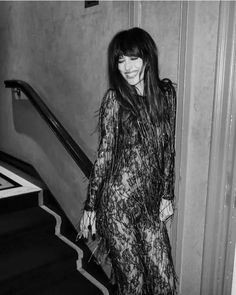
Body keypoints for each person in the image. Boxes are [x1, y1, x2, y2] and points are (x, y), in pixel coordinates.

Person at [79, 27, 177, 295]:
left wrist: (168, 194)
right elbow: (105, 154)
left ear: (147, 57)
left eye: (133, 58)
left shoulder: (166, 93)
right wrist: (90, 205)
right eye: (120, 60)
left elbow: (168, 147)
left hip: (150, 204)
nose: (127, 67)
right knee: (133, 284)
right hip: (117, 205)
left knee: (164, 280)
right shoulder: (114, 100)